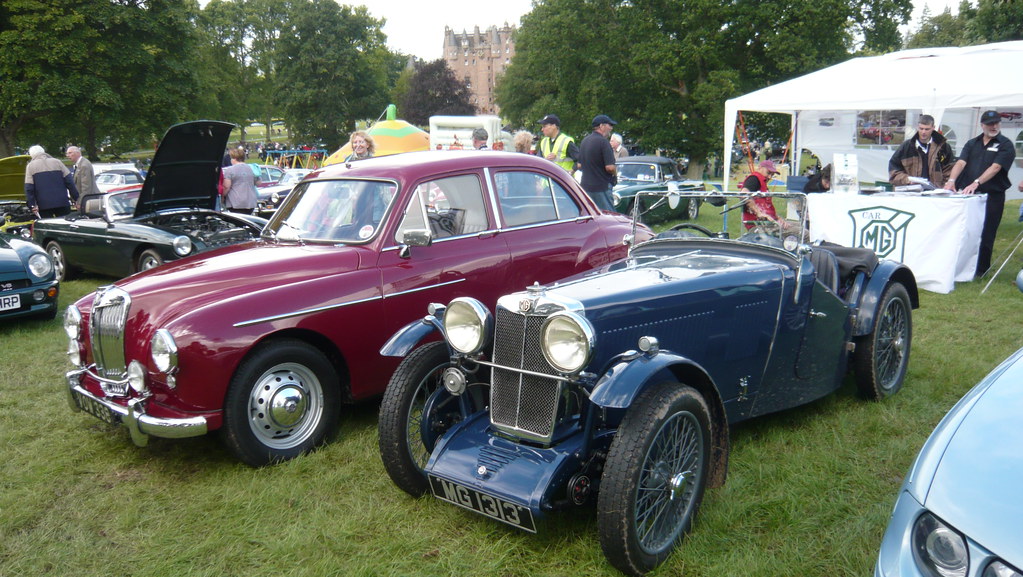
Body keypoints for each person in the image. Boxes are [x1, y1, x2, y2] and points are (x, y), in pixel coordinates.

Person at [945, 110, 1014, 277]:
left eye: (997, 123)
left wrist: (976, 182)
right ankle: (961, 265)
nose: (994, 126)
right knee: (967, 230)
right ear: (982, 125)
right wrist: (951, 181)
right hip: (969, 195)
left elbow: (996, 168)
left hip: (992, 195)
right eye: (990, 124)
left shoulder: (1005, 144)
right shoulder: (972, 143)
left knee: (987, 232)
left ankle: (981, 270)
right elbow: (961, 162)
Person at [887, 114, 955, 189]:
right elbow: (893, 172)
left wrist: (945, 185)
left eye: (927, 129)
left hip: (936, 193)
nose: (923, 132)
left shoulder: (943, 147)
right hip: (912, 193)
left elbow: (950, 170)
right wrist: (907, 180)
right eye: (921, 128)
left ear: (933, 128)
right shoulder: (906, 147)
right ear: (917, 127)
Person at [24, 145, 79, 218]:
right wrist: (76, 198)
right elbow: (70, 182)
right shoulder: (57, 162)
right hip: (62, 202)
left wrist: (32, 205)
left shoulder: (30, 166)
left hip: (43, 205)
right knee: (65, 226)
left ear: (31, 155)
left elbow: (29, 188)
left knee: (48, 227)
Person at [578, 114, 618, 211]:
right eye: (609, 125)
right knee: (609, 217)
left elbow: (579, 165)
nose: (611, 128)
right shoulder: (603, 142)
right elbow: (610, 167)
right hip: (602, 187)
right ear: (601, 126)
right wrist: (615, 175)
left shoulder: (584, 141)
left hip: (586, 187)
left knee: (591, 217)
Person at [740, 159, 788, 231]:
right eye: (768, 173)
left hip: (769, 223)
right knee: (803, 232)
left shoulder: (762, 182)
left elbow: (767, 207)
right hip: (760, 225)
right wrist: (759, 213)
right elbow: (744, 194)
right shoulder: (754, 179)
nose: (769, 177)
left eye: (772, 175)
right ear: (760, 168)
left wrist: (778, 218)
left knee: (797, 226)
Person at [221, 146, 258, 215]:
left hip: (236, 203)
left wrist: (222, 197)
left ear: (234, 158)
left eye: (231, 158)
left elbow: (226, 187)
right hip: (251, 202)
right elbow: (258, 182)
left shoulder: (230, 170)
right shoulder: (251, 169)